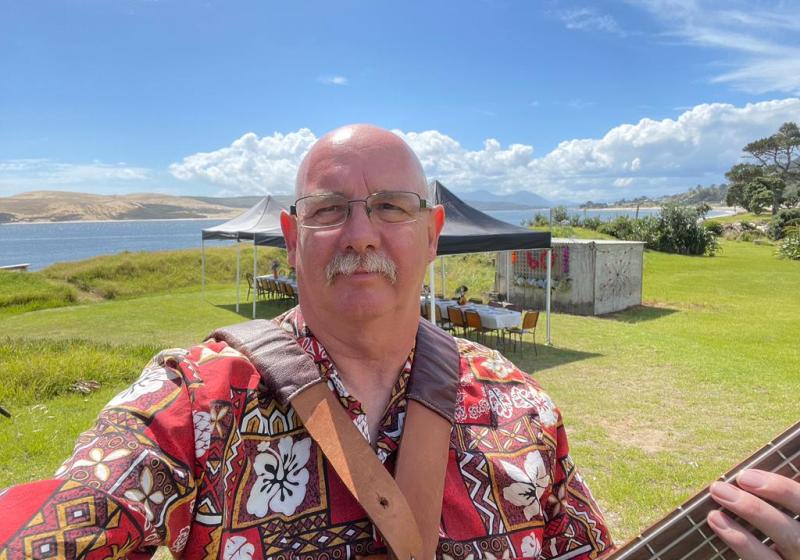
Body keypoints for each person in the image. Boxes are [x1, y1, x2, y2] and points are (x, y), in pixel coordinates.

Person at [0, 125, 796, 560]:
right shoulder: (191, 403)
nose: (359, 234)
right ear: (290, 237)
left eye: (389, 205)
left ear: (432, 230)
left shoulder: (524, 408)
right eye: (327, 210)